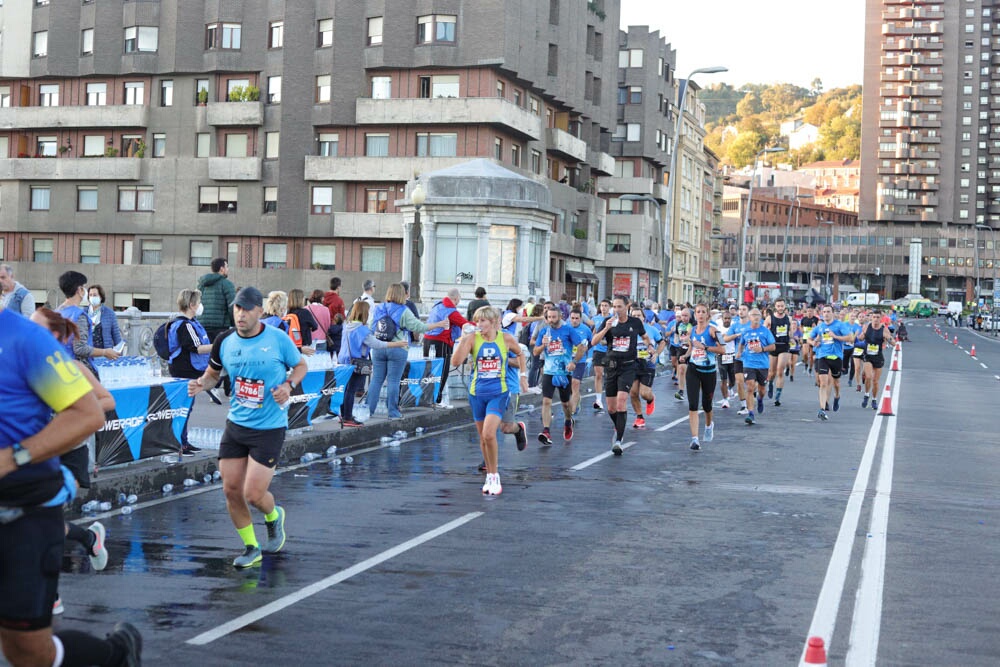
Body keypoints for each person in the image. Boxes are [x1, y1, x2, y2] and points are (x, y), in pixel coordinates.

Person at [0, 307, 142, 666]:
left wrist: (11, 458)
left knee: (27, 653)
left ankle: (116, 655)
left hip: (21, 511)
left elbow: (90, 412)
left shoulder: (25, 340)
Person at [188, 286, 308, 568]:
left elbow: (301, 365)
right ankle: (251, 547)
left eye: (246, 309)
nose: (240, 314)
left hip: (269, 427)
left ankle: (273, 515)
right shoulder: (224, 341)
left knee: (253, 494)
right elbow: (212, 375)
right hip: (237, 424)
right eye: (237, 309)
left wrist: (288, 386)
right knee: (231, 489)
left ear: (260, 311)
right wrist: (200, 384)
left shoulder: (278, 339)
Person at [30, 308, 115, 614]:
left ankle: (50, 594)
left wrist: (76, 410)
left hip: (70, 451)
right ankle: (90, 537)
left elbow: (107, 401)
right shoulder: (22, 366)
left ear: (53, 336)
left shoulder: (72, 369)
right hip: (40, 451)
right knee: (40, 520)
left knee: (44, 520)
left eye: (35, 328)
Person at [451, 307, 521, 495]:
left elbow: (521, 353)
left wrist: (522, 376)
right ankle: (489, 476)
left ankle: (495, 475)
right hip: (477, 394)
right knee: (483, 437)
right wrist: (464, 341)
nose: (479, 325)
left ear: (492, 322)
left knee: (490, 434)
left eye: (483, 321)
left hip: (499, 393)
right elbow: (455, 362)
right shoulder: (472, 339)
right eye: (477, 321)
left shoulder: (505, 339)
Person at [367, 284, 448, 419]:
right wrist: (438, 324)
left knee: (376, 380)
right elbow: (420, 327)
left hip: (379, 348)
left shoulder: (379, 308)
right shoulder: (404, 310)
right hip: (398, 348)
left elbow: (371, 327)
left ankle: (368, 411)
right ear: (402, 294)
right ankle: (393, 412)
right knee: (393, 381)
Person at [589, 296, 653, 454]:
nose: (616, 310)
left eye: (619, 306)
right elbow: (593, 342)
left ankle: (618, 439)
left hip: (628, 366)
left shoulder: (635, 322)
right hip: (611, 365)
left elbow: (644, 336)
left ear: (627, 306)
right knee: (611, 408)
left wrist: (650, 346)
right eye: (614, 307)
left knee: (621, 401)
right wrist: (606, 329)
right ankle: (618, 425)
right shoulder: (609, 322)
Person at [337, 301, 409, 427]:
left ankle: (344, 415)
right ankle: (348, 417)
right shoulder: (362, 330)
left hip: (343, 361)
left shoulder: (347, 326)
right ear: (364, 313)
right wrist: (397, 344)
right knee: (351, 390)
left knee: (346, 389)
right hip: (357, 363)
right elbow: (377, 344)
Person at [167, 289, 214, 456]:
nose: (201, 306)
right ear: (192, 305)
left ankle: (183, 442)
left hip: (183, 368)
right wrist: (219, 345)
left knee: (185, 407)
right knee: (184, 408)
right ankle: (180, 443)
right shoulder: (186, 325)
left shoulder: (182, 323)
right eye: (199, 302)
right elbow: (197, 348)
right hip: (186, 369)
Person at [533, 305, 587, 445]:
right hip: (549, 372)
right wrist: (543, 345)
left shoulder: (568, 330)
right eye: (549, 317)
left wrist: (574, 362)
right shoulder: (544, 331)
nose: (551, 320)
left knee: (565, 403)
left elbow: (581, 346)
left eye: (553, 317)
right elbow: (535, 352)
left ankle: (568, 420)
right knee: (546, 401)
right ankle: (546, 430)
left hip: (564, 372)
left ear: (560, 317)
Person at [56, 270, 118, 376]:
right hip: (79, 372)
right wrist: (104, 352)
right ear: (80, 290)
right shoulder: (79, 315)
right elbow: (80, 348)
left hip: (59, 368)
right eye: (84, 287)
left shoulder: (57, 312)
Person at [682, 304, 726, 450]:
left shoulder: (713, 330)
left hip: (709, 372)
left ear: (707, 315)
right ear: (695, 315)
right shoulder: (692, 330)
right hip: (693, 370)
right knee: (693, 404)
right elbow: (691, 347)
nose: (700, 315)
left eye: (703, 312)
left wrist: (705, 348)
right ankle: (694, 439)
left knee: (707, 405)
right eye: (698, 312)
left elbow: (723, 350)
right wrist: (686, 355)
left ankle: (708, 425)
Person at [423, 288, 471, 407]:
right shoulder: (451, 311)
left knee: (428, 370)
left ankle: (426, 398)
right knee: (442, 371)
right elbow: (465, 323)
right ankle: (437, 400)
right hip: (441, 341)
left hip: (427, 340)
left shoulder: (437, 306)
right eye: (459, 299)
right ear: (456, 298)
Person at [807, 304, 855, 421]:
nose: (826, 314)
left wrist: (836, 336)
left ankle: (837, 396)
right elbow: (808, 338)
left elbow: (851, 338)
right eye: (824, 312)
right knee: (823, 383)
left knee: (836, 383)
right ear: (822, 314)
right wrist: (814, 343)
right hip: (823, 356)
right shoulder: (820, 327)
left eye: (828, 311)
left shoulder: (839, 325)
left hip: (836, 357)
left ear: (833, 313)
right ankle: (822, 409)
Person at [736, 308, 776, 426]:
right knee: (750, 387)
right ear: (749, 317)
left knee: (762, 389)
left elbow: (773, 347)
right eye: (754, 315)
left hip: (763, 364)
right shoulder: (746, 331)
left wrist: (762, 349)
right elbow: (742, 343)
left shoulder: (765, 331)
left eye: (758, 315)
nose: (756, 317)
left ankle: (760, 399)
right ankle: (751, 413)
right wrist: (739, 352)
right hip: (749, 363)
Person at [628, 304, 665, 428]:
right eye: (634, 316)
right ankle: (639, 417)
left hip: (648, 364)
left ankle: (650, 399)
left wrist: (656, 354)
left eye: (639, 315)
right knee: (633, 392)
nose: (636, 318)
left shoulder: (651, 329)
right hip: (632, 364)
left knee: (644, 393)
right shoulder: (628, 330)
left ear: (644, 318)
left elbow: (662, 342)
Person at [197, 257, 236, 343]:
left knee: (205, 352)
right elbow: (232, 306)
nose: (228, 269)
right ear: (222, 269)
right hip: (220, 327)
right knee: (219, 352)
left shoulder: (202, 284)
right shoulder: (227, 284)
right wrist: (234, 323)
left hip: (202, 325)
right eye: (227, 267)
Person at [861, 310, 894, 411]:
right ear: (871, 318)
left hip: (878, 356)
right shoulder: (866, 327)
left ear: (881, 318)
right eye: (874, 317)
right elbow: (860, 338)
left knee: (875, 381)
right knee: (869, 377)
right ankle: (866, 395)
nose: (875, 319)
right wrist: (860, 336)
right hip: (867, 355)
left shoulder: (884, 330)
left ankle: (874, 399)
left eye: (877, 317)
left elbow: (893, 343)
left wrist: (889, 339)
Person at [764, 297, 792, 406]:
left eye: (782, 306)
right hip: (773, 346)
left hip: (784, 346)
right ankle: (770, 382)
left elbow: (790, 332)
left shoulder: (788, 318)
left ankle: (778, 396)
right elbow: (764, 332)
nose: (780, 308)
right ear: (775, 307)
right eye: (778, 306)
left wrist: (793, 338)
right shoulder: (769, 319)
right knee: (772, 373)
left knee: (780, 371)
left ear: (785, 306)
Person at [567, 308, 594, 417]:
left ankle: (573, 411)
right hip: (566, 360)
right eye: (572, 318)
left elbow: (592, 341)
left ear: (581, 319)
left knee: (575, 383)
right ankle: (576, 399)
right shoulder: (565, 328)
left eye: (577, 318)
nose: (574, 321)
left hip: (580, 361)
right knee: (567, 386)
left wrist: (587, 349)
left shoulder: (586, 329)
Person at [87, 284, 123, 356]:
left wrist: (119, 354)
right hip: (87, 353)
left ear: (100, 297)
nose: (92, 297)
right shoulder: (83, 312)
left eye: (95, 295)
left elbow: (116, 336)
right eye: (90, 295)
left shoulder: (109, 313)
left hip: (105, 354)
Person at [590, 299, 612, 411]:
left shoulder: (613, 319)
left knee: (609, 376)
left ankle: (610, 398)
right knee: (598, 375)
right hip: (598, 350)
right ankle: (598, 400)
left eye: (606, 306)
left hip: (610, 351)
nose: (603, 308)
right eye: (602, 305)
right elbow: (592, 335)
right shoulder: (595, 319)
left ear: (610, 307)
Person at [286, 288, 320, 354]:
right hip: (303, 345)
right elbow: (315, 326)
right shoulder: (305, 312)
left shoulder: (288, 313)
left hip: (291, 344)